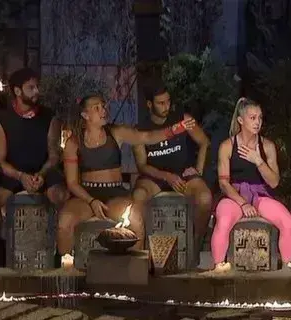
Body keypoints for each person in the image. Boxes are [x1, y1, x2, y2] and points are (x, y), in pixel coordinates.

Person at [57, 95, 197, 256]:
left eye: (103, 106)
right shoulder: (73, 142)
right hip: (86, 196)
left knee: (136, 220)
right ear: (85, 115)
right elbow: (72, 183)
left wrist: (173, 130)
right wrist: (92, 201)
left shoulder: (116, 132)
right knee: (64, 222)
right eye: (97, 108)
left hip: (114, 194)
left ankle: (136, 266)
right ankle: (66, 269)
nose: (103, 110)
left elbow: (147, 137)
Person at [0, 68, 68, 267]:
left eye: (37, 87)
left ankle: (58, 255)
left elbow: (54, 155)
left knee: (59, 195)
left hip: (43, 170)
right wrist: (21, 176)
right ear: (17, 91)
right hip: (13, 172)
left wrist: (42, 174)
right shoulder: (2, 120)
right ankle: (1, 257)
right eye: (31, 88)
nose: (36, 91)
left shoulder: (49, 117)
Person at [211, 98, 291, 266]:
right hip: (234, 196)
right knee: (224, 221)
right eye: (252, 118)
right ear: (240, 120)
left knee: (287, 221)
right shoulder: (227, 146)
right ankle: (218, 268)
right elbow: (224, 183)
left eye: (260, 118)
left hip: (260, 194)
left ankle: (288, 269)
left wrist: (258, 161)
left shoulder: (267, 146)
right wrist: (243, 204)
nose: (258, 122)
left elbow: (274, 182)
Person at [132, 85, 213, 247]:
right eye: (160, 103)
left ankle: (196, 243)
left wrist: (198, 170)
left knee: (205, 198)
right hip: (154, 178)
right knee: (138, 196)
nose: (166, 106)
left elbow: (204, 142)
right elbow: (142, 165)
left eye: (168, 101)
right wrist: (166, 176)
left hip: (183, 176)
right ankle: (139, 247)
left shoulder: (182, 120)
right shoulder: (140, 130)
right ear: (149, 104)